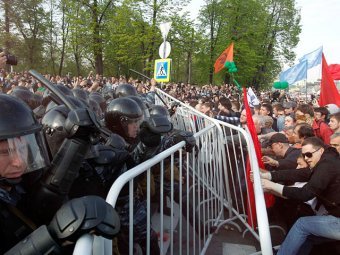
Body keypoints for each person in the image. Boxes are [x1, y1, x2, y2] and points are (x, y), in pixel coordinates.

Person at [0, 94, 120, 254]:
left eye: (22, 149)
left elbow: (44, 198)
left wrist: (77, 141)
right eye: (5, 152)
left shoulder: (15, 183)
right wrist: (51, 237)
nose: (19, 162)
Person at [260, 137, 340, 255]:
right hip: (334, 215)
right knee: (308, 236)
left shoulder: (328, 164)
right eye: (304, 155)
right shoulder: (326, 161)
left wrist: (273, 186)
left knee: (302, 224)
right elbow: (301, 173)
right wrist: (270, 176)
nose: (306, 158)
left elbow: (305, 193)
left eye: (309, 154)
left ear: (321, 151)